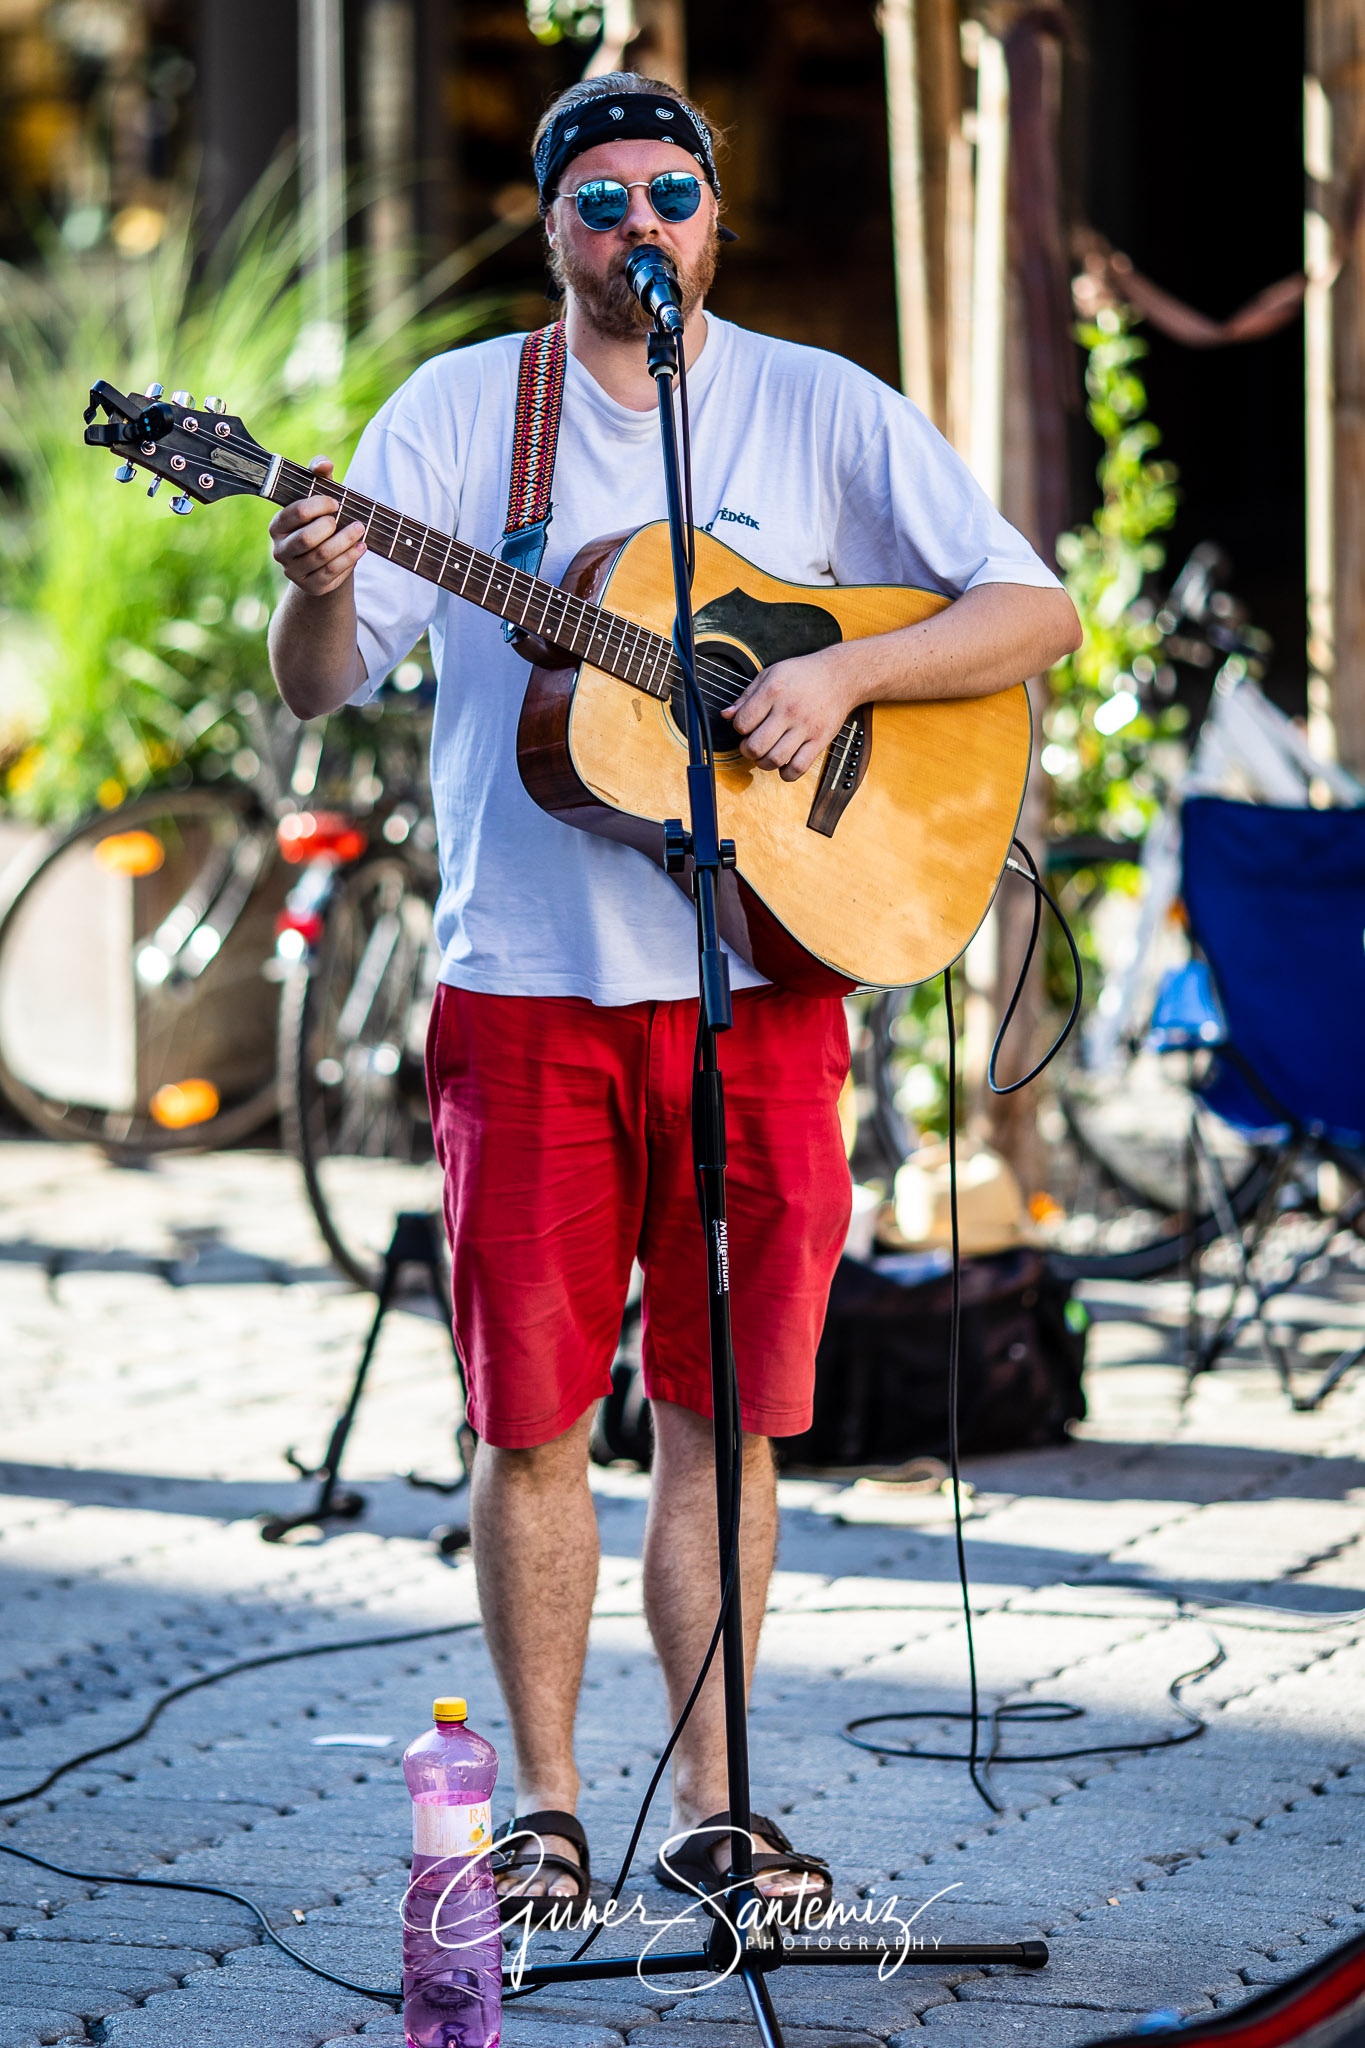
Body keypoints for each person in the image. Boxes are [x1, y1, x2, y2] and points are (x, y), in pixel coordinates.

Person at [267, 71, 1081, 1925]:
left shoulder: (815, 403)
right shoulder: (469, 415)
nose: (644, 226)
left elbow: (1029, 613)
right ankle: (545, 1806)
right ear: (550, 228)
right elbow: (325, 683)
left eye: (674, 195)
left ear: (712, 222)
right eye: (604, 199)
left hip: (762, 984)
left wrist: (846, 680)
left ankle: (720, 1802)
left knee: (727, 1419)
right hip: (529, 993)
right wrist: (313, 581)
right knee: (532, 1418)